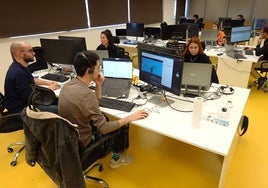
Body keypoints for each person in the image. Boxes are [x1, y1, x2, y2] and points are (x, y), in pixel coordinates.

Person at [58, 51, 148, 168]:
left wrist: (98, 85)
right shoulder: (86, 94)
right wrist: (129, 118)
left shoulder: (68, 86)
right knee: (123, 124)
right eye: (98, 67)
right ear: (89, 71)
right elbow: (104, 128)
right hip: (83, 142)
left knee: (106, 118)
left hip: (70, 136)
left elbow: (93, 104)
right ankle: (116, 159)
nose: (100, 71)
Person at [4, 41, 60, 115]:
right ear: (20, 54)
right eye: (30, 51)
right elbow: (31, 98)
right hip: (21, 110)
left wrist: (48, 82)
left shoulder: (19, 66)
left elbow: (31, 79)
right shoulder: (19, 73)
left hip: (26, 103)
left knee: (59, 101)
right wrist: (49, 89)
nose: (34, 53)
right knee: (62, 109)